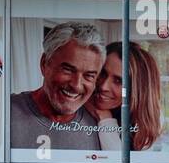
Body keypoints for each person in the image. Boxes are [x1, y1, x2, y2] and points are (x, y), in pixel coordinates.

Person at [10, 21, 106, 151]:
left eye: (89, 76)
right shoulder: (6, 111)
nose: (76, 86)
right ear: (44, 64)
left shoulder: (101, 127)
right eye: (68, 70)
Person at [87, 41, 164, 152]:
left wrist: (105, 119)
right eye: (103, 73)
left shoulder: (148, 119)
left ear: (136, 90)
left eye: (118, 81)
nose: (104, 86)